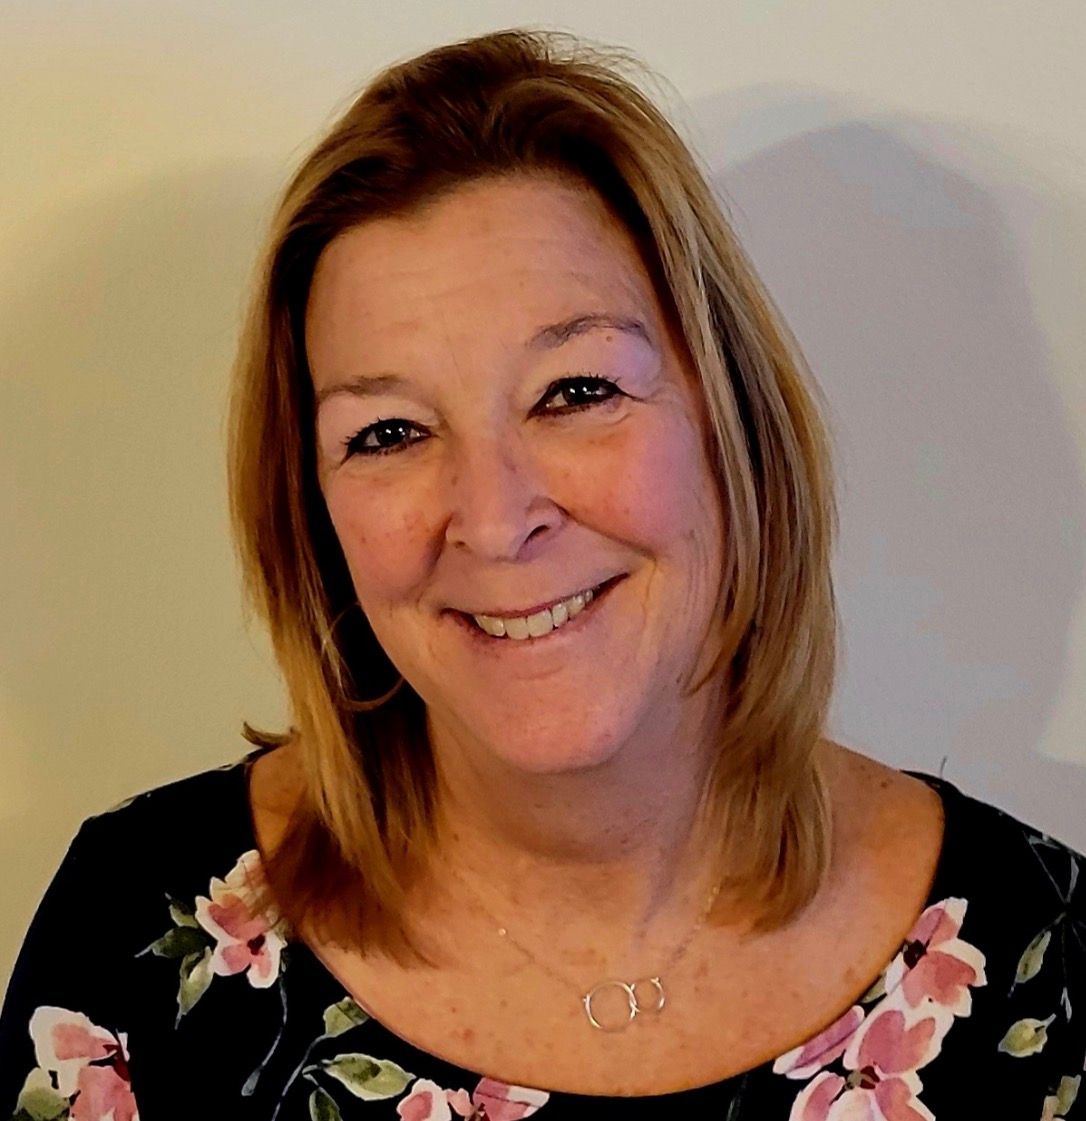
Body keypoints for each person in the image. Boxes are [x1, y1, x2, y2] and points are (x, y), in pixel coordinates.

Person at [2, 27, 1083, 1121]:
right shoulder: (132, 942)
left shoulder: (1050, 961)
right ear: (312, 512)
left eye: (575, 391)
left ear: (732, 424)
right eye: (386, 432)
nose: (496, 517)